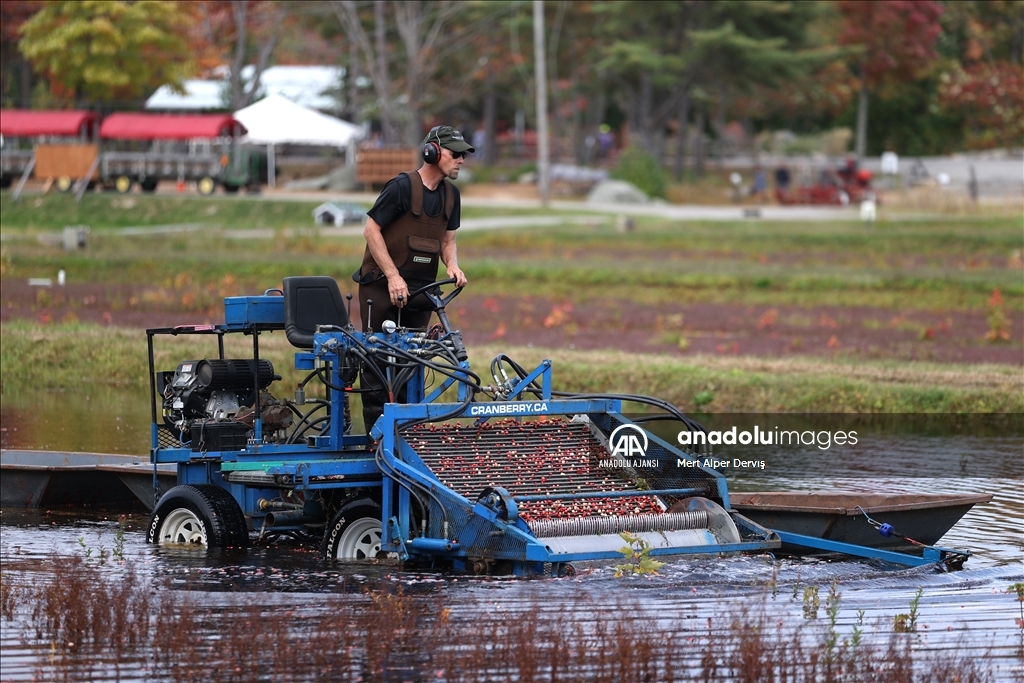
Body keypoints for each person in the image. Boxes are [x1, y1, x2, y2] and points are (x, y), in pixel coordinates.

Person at [353, 124, 473, 431]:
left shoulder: (452, 196)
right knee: (378, 365)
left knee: (413, 363)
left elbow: (448, 241)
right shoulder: (401, 187)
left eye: (464, 155)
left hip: (421, 291)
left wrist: (452, 265)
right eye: (455, 154)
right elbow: (371, 230)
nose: (461, 160)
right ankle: (376, 440)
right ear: (432, 152)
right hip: (381, 287)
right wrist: (393, 276)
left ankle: (407, 437)